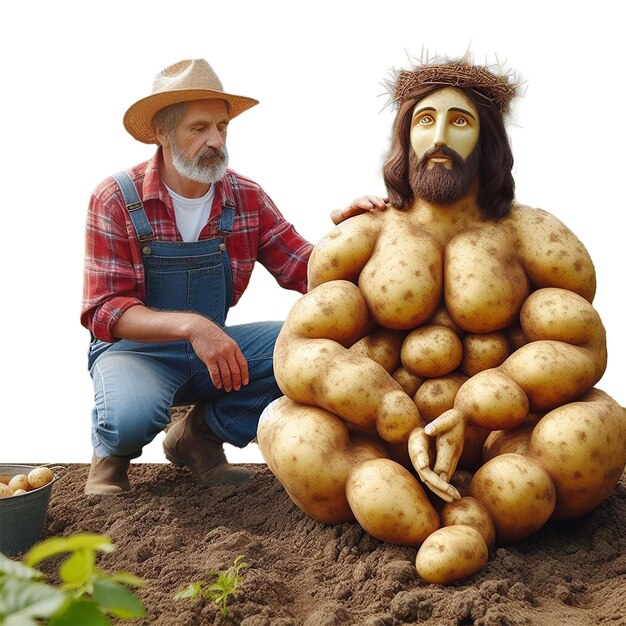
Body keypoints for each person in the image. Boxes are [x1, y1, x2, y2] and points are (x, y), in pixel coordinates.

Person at [257, 57, 626, 546]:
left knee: (596, 428)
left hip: (504, 440)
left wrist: (476, 407)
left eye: (461, 122)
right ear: (404, 139)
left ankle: (480, 513)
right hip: (384, 443)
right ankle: (409, 502)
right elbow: (303, 346)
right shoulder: (361, 237)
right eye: (425, 121)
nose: (439, 138)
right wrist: (391, 409)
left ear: (488, 141)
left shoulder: (534, 235)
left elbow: (580, 341)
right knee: (289, 428)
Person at [81, 58, 367, 495]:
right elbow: (103, 310)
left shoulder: (245, 197)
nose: (216, 140)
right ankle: (111, 455)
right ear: (162, 132)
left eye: (222, 126)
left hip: (211, 350)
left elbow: (306, 270)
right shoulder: (117, 198)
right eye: (199, 128)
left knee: (318, 351)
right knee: (130, 417)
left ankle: (199, 436)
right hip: (135, 352)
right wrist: (193, 327)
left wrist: (351, 234)